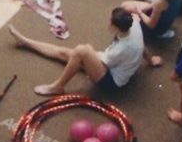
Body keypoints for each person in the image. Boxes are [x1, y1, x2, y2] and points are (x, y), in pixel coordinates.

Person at [8, 7, 147, 97]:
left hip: (112, 82)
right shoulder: (134, 24)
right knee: (64, 52)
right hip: (115, 63)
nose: (107, 22)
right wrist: (151, 60)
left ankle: (57, 87)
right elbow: (141, 45)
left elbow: (106, 63)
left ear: (116, 27)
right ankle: (26, 42)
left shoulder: (121, 49)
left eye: (110, 21)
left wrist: (88, 53)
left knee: (81, 51)